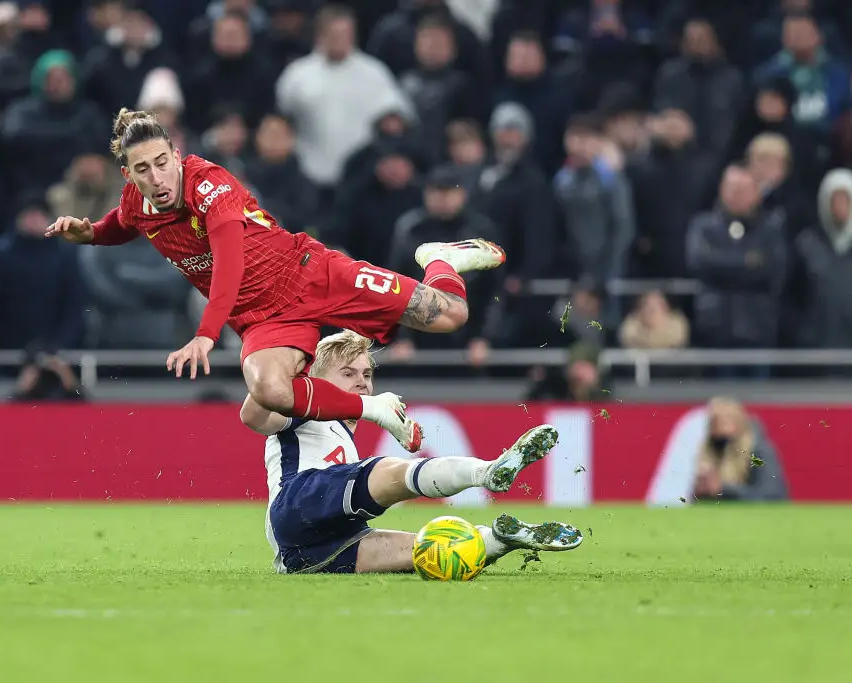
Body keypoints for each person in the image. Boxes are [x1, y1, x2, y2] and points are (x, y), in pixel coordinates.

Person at [45, 109, 505, 452]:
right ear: (128, 174)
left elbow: (229, 264)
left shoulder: (212, 186)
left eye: (163, 162)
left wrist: (206, 334)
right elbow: (119, 224)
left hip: (312, 273)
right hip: (262, 318)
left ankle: (441, 258)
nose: (157, 176)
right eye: (142, 169)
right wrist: (88, 233)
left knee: (450, 316)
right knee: (261, 405)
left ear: (177, 156)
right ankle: (374, 410)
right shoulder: (135, 201)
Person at [240, 330, 584, 574]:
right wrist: (279, 377)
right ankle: (487, 472)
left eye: (366, 374)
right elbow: (252, 415)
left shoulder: (342, 429)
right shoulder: (300, 411)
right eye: (348, 373)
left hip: (307, 553)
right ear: (314, 378)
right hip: (298, 503)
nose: (362, 382)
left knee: (434, 553)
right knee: (391, 471)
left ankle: (501, 537)